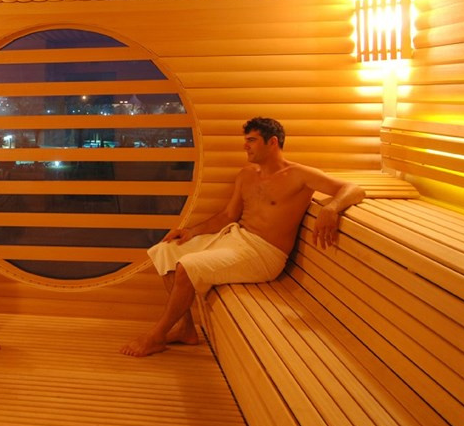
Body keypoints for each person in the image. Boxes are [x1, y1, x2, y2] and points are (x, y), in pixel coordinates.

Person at [120, 117, 365, 357]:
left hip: (264, 253)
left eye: (252, 140)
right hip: (236, 237)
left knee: (186, 267)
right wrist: (191, 232)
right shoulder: (246, 175)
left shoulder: (299, 175)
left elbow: (354, 189)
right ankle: (185, 328)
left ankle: (156, 336)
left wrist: (331, 208)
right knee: (167, 250)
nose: (245, 145)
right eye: (246, 140)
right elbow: (228, 215)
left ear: (273, 142)